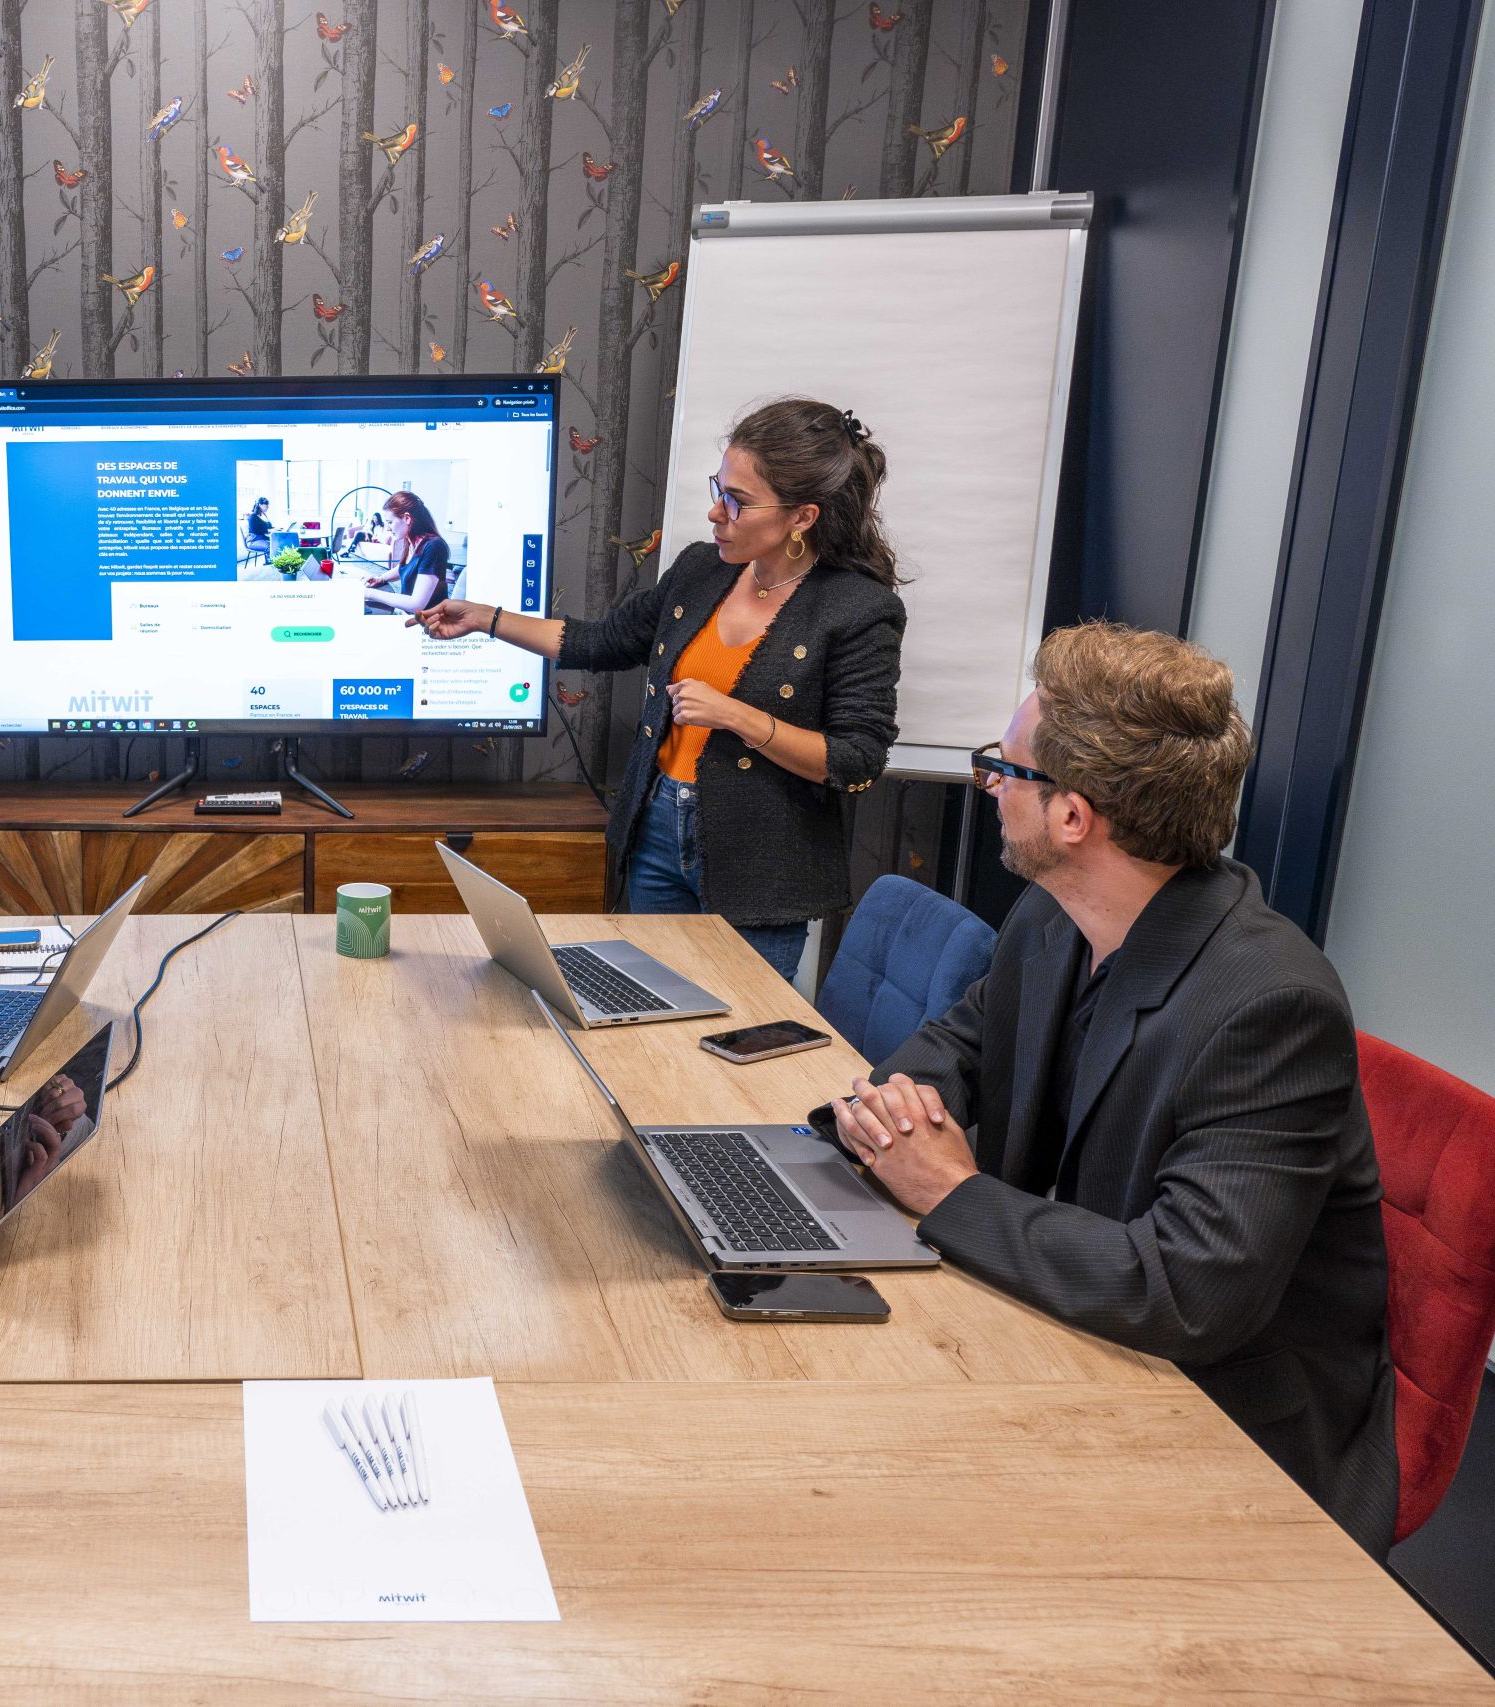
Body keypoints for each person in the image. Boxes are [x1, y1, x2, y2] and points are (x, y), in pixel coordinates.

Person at [825, 623, 1397, 1558]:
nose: (988, 786)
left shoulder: (1270, 1005)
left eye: (1001, 767)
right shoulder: (1057, 916)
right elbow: (956, 1043)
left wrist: (948, 1189)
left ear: (1073, 817)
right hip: (1075, 1327)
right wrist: (900, 1108)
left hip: (1228, 1422)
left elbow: (1190, 1292)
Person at [415, 398, 905, 980]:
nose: (715, 513)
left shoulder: (860, 610)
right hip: (657, 833)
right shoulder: (702, 570)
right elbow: (600, 642)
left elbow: (857, 761)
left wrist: (737, 716)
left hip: (757, 865)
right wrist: (481, 617)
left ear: (802, 517)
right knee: (651, 1016)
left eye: (737, 502)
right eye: (718, 489)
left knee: (735, 1036)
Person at [361, 491, 452, 615]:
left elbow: (416, 604)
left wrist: (369, 593)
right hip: (410, 615)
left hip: (428, 623)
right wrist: (380, 579)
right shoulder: (411, 541)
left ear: (407, 519)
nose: (387, 528)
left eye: (390, 522)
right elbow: (403, 568)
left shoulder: (433, 546)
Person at [244, 495, 274, 566]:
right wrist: (268, 530)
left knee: (277, 542)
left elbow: (269, 526)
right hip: (253, 540)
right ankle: (269, 563)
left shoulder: (263, 515)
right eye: (266, 505)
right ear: (260, 505)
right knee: (270, 546)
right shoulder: (252, 517)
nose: (268, 507)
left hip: (261, 538)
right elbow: (255, 530)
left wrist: (273, 529)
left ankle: (275, 563)